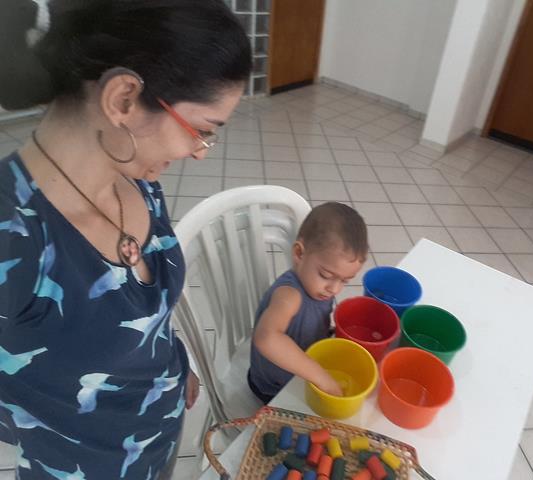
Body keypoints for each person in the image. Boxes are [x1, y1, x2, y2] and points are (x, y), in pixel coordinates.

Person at [0, 0, 251, 478]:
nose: (200, 152)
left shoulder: (139, 181)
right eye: (201, 130)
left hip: (159, 434)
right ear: (123, 99)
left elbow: (144, 313)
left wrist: (169, 368)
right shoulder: (14, 233)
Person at [248, 202, 368, 404]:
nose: (334, 289)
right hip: (274, 390)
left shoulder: (319, 289)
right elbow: (266, 338)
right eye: (326, 275)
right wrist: (321, 377)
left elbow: (308, 324)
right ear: (299, 254)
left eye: (345, 281)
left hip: (303, 369)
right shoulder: (289, 295)